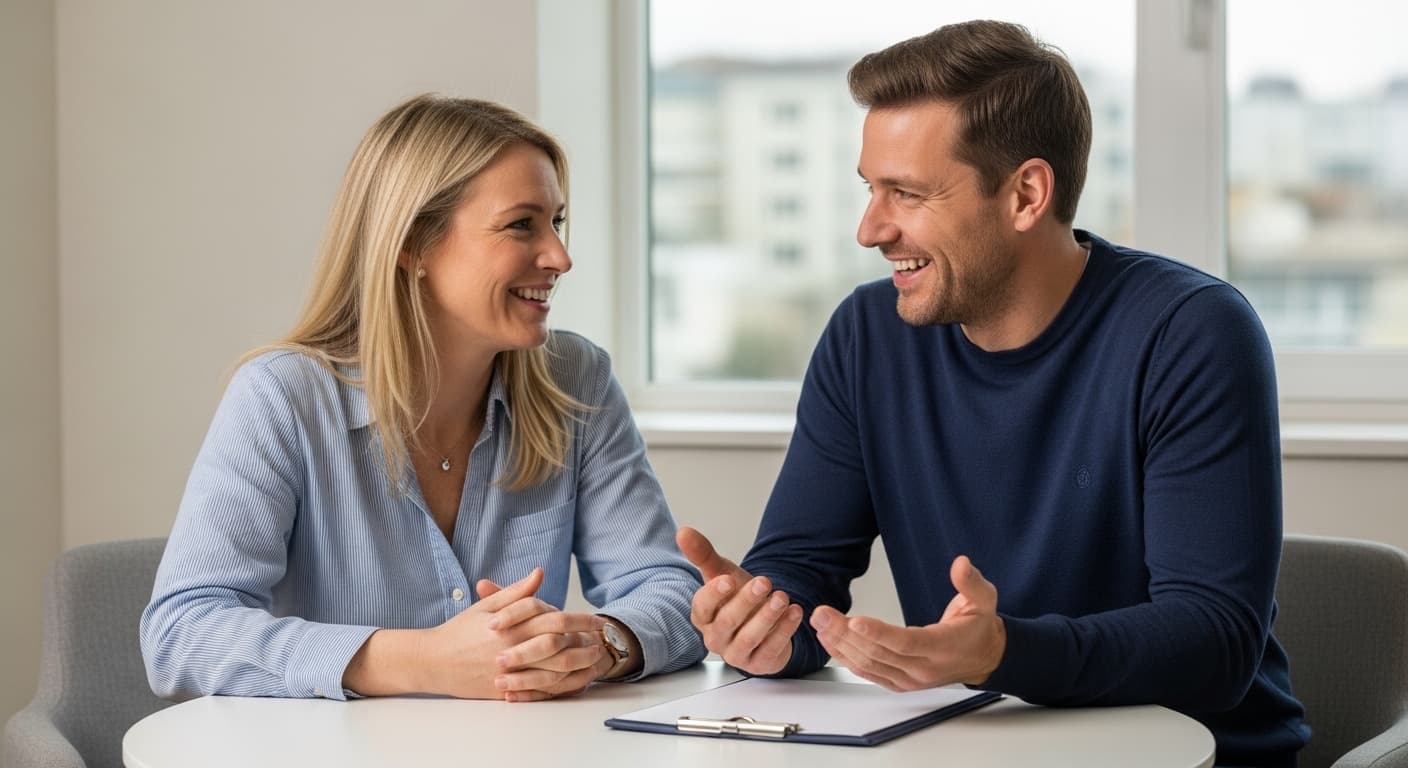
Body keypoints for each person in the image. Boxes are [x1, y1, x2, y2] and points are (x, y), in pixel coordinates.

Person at [677, 20, 1309, 767]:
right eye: (870, 189)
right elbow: (801, 578)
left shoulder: (1191, 332)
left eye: (905, 193)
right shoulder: (866, 336)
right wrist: (760, 629)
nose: (870, 229)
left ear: (1026, 194)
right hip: (972, 752)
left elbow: (1215, 642)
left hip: (1194, 754)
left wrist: (1002, 650)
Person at [141, 94, 704, 703]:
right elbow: (182, 632)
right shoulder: (283, 398)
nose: (560, 258)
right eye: (522, 224)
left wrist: (599, 645)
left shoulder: (578, 379)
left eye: (556, 222)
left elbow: (666, 588)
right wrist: (421, 661)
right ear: (412, 244)